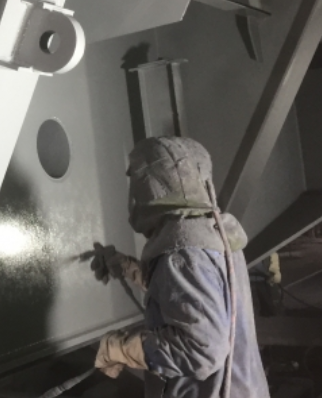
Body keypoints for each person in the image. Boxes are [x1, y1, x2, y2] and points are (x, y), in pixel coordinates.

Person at [93, 137, 269, 398]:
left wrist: (121, 348)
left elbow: (201, 351)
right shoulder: (213, 234)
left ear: (150, 185)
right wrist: (129, 268)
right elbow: (191, 297)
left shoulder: (183, 254)